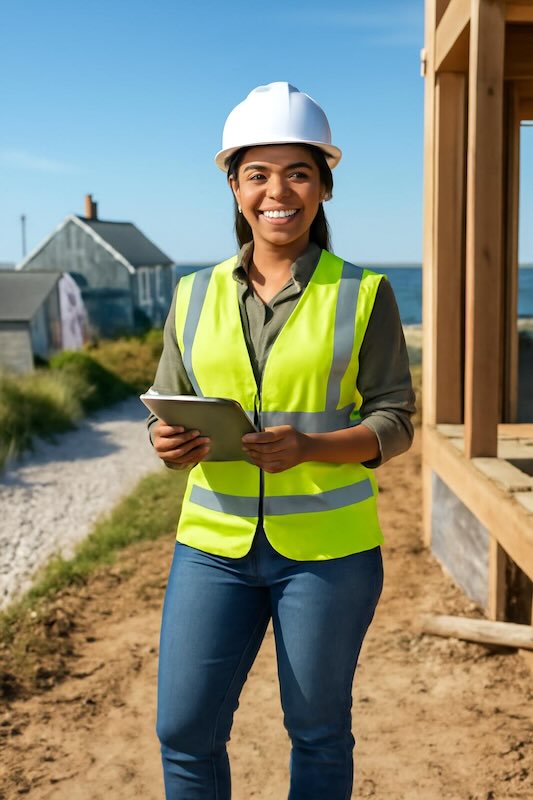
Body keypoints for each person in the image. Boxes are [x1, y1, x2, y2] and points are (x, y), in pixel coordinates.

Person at [147, 81, 415, 800]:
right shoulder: (191, 294)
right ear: (233, 184)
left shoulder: (363, 294)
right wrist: (165, 441)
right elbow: (165, 405)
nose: (278, 191)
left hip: (328, 557)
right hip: (213, 546)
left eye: (297, 172)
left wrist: (310, 448)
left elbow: (395, 421)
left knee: (317, 729)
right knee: (182, 731)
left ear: (324, 186)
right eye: (257, 173)